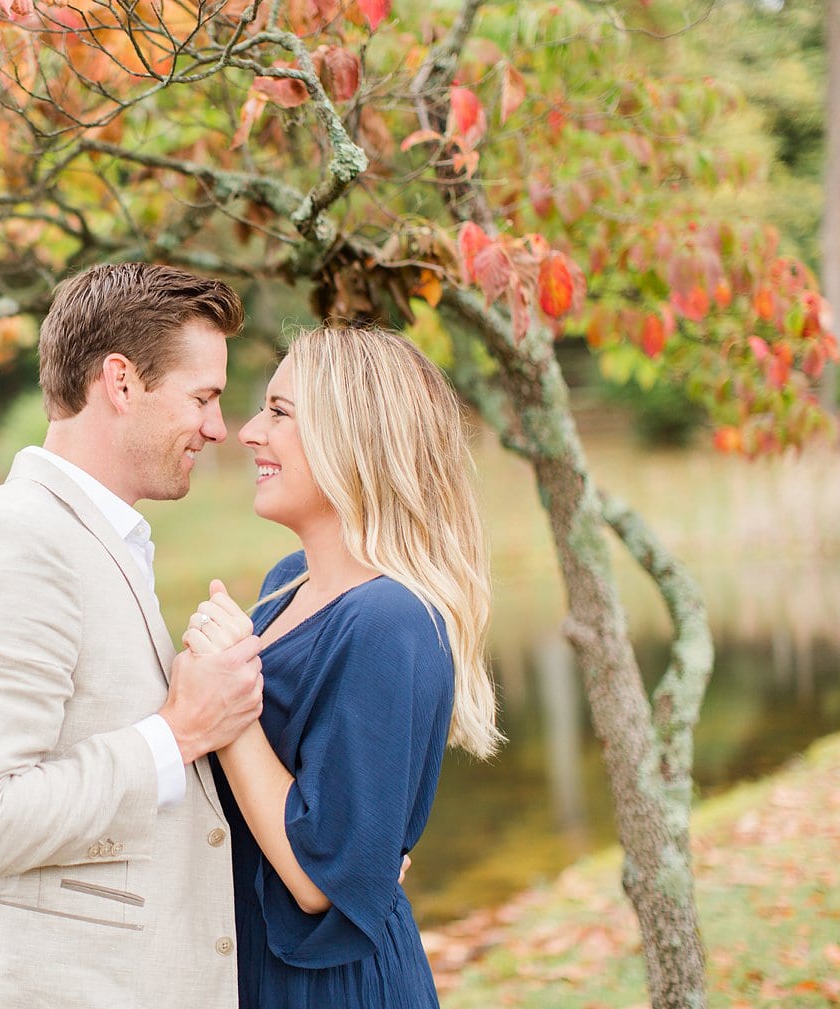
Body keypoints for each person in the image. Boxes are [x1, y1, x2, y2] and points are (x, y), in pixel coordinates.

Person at [0, 263, 267, 1009]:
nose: (218, 427)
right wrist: (177, 732)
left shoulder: (95, 538)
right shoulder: (14, 542)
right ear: (121, 382)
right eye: (201, 398)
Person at [182, 324, 503, 1008]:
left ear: (352, 438)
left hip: (329, 984)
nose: (246, 431)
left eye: (278, 411)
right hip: (252, 965)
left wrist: (227, 697)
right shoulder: (287, 581)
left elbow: (318, 878)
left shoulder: (389, 617)